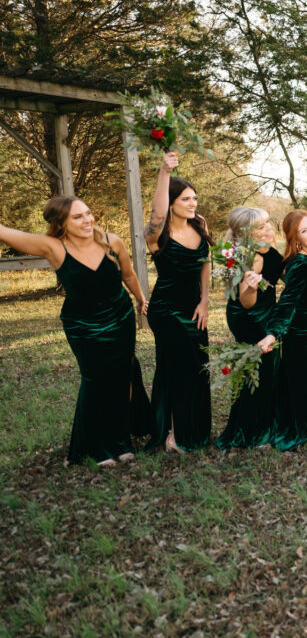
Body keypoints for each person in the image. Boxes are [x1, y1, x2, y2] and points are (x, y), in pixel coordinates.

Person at [0, 196, 150, 465]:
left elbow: (127, 274)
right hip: (82, 325)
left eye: (88, 213)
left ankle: (121, 441)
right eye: (78, 217)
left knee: (120, 376)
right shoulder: (54, 247)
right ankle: (97, 447)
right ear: (62, 223)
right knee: (95, 381)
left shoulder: (111, 241)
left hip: (120, 318)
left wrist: (140, 299)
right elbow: (8, 234)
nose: (88, 220)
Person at [144, 152, 212, 453]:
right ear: (171, 202)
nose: (193, 203)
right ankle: (172, 434)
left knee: (197, 367)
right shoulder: (159, 234)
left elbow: (206, 263)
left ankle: (193, 429)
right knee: (176, 368)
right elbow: (156, 214)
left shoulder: (199, 226)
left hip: (194, 307)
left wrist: (206, 300)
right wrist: (163, 172)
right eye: (186, 199)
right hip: (167, 310)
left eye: (194, 198)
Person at [257, 210, 307, 449]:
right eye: (304, 231)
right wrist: (272, 333)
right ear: (295, 239)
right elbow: (287, 303)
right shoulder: (300, 263)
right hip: (305, 333)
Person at [214, 206, 284, 449]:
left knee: (264, 369)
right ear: (246, 235)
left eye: (266, 223)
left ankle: (261, 425)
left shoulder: (270, 251)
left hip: (266, 311)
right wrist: (251, 286)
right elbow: (246, 302)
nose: (268, 229)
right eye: (260, 227)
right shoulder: (252, 258)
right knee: (261, 368)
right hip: (250, 315)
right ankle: (253, 432)